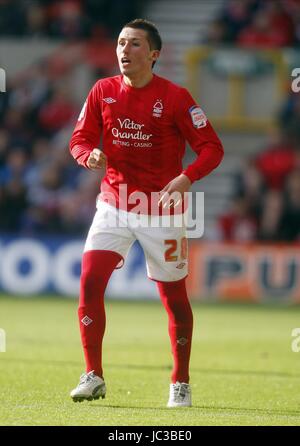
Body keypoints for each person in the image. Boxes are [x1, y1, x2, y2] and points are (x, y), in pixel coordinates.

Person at [69, 18, 224, 407]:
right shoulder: (102, 91)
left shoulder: (175, 97)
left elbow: (211, 148)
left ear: (153, 55)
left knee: (174, 299)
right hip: (114, 204)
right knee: (89, 281)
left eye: (135, 44)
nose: (125, 50)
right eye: (121, 42)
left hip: (162, 212)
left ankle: (181, 381)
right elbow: (80, 139)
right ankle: (93, 375)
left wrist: (187, 178)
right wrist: (89, 156)